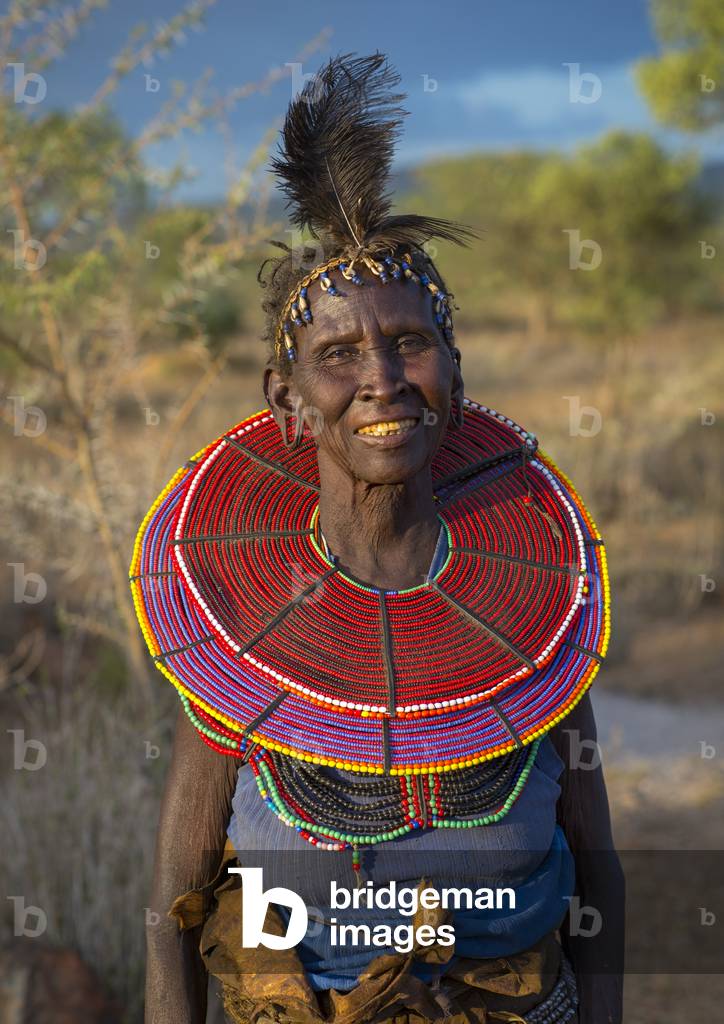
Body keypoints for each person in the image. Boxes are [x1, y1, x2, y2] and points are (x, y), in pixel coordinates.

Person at [132, 53, 624, 1024]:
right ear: (287, 399)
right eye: (338, 354)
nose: (382, 379)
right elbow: (171, 909)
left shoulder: (538, 612)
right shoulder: (237, 637)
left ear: (453, 368)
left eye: (408, 341)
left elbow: (601, 879)